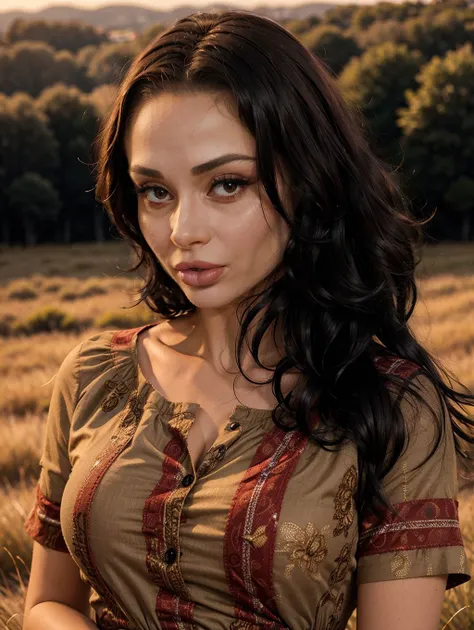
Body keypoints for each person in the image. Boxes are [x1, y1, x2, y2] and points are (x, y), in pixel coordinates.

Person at [22, 9, 473, 630]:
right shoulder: (93, 375)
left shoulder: (391, 406)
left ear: (309, 178)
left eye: (227, 184)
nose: (183, 231)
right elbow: (46, 605)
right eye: (156, 191)